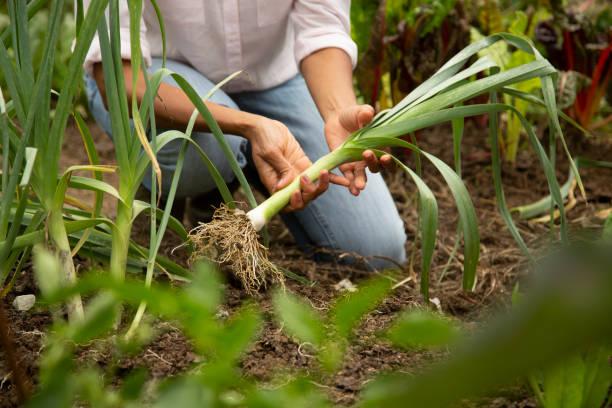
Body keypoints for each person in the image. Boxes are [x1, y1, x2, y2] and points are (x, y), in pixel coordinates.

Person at [84, 1, 406, 268]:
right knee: (202, 152)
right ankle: (179, 192)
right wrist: (247, 126)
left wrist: (337, 113)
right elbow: (120, 82)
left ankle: (245, 162)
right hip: (160, 78)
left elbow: (321, 27)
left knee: (376, 252)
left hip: (272, 79)